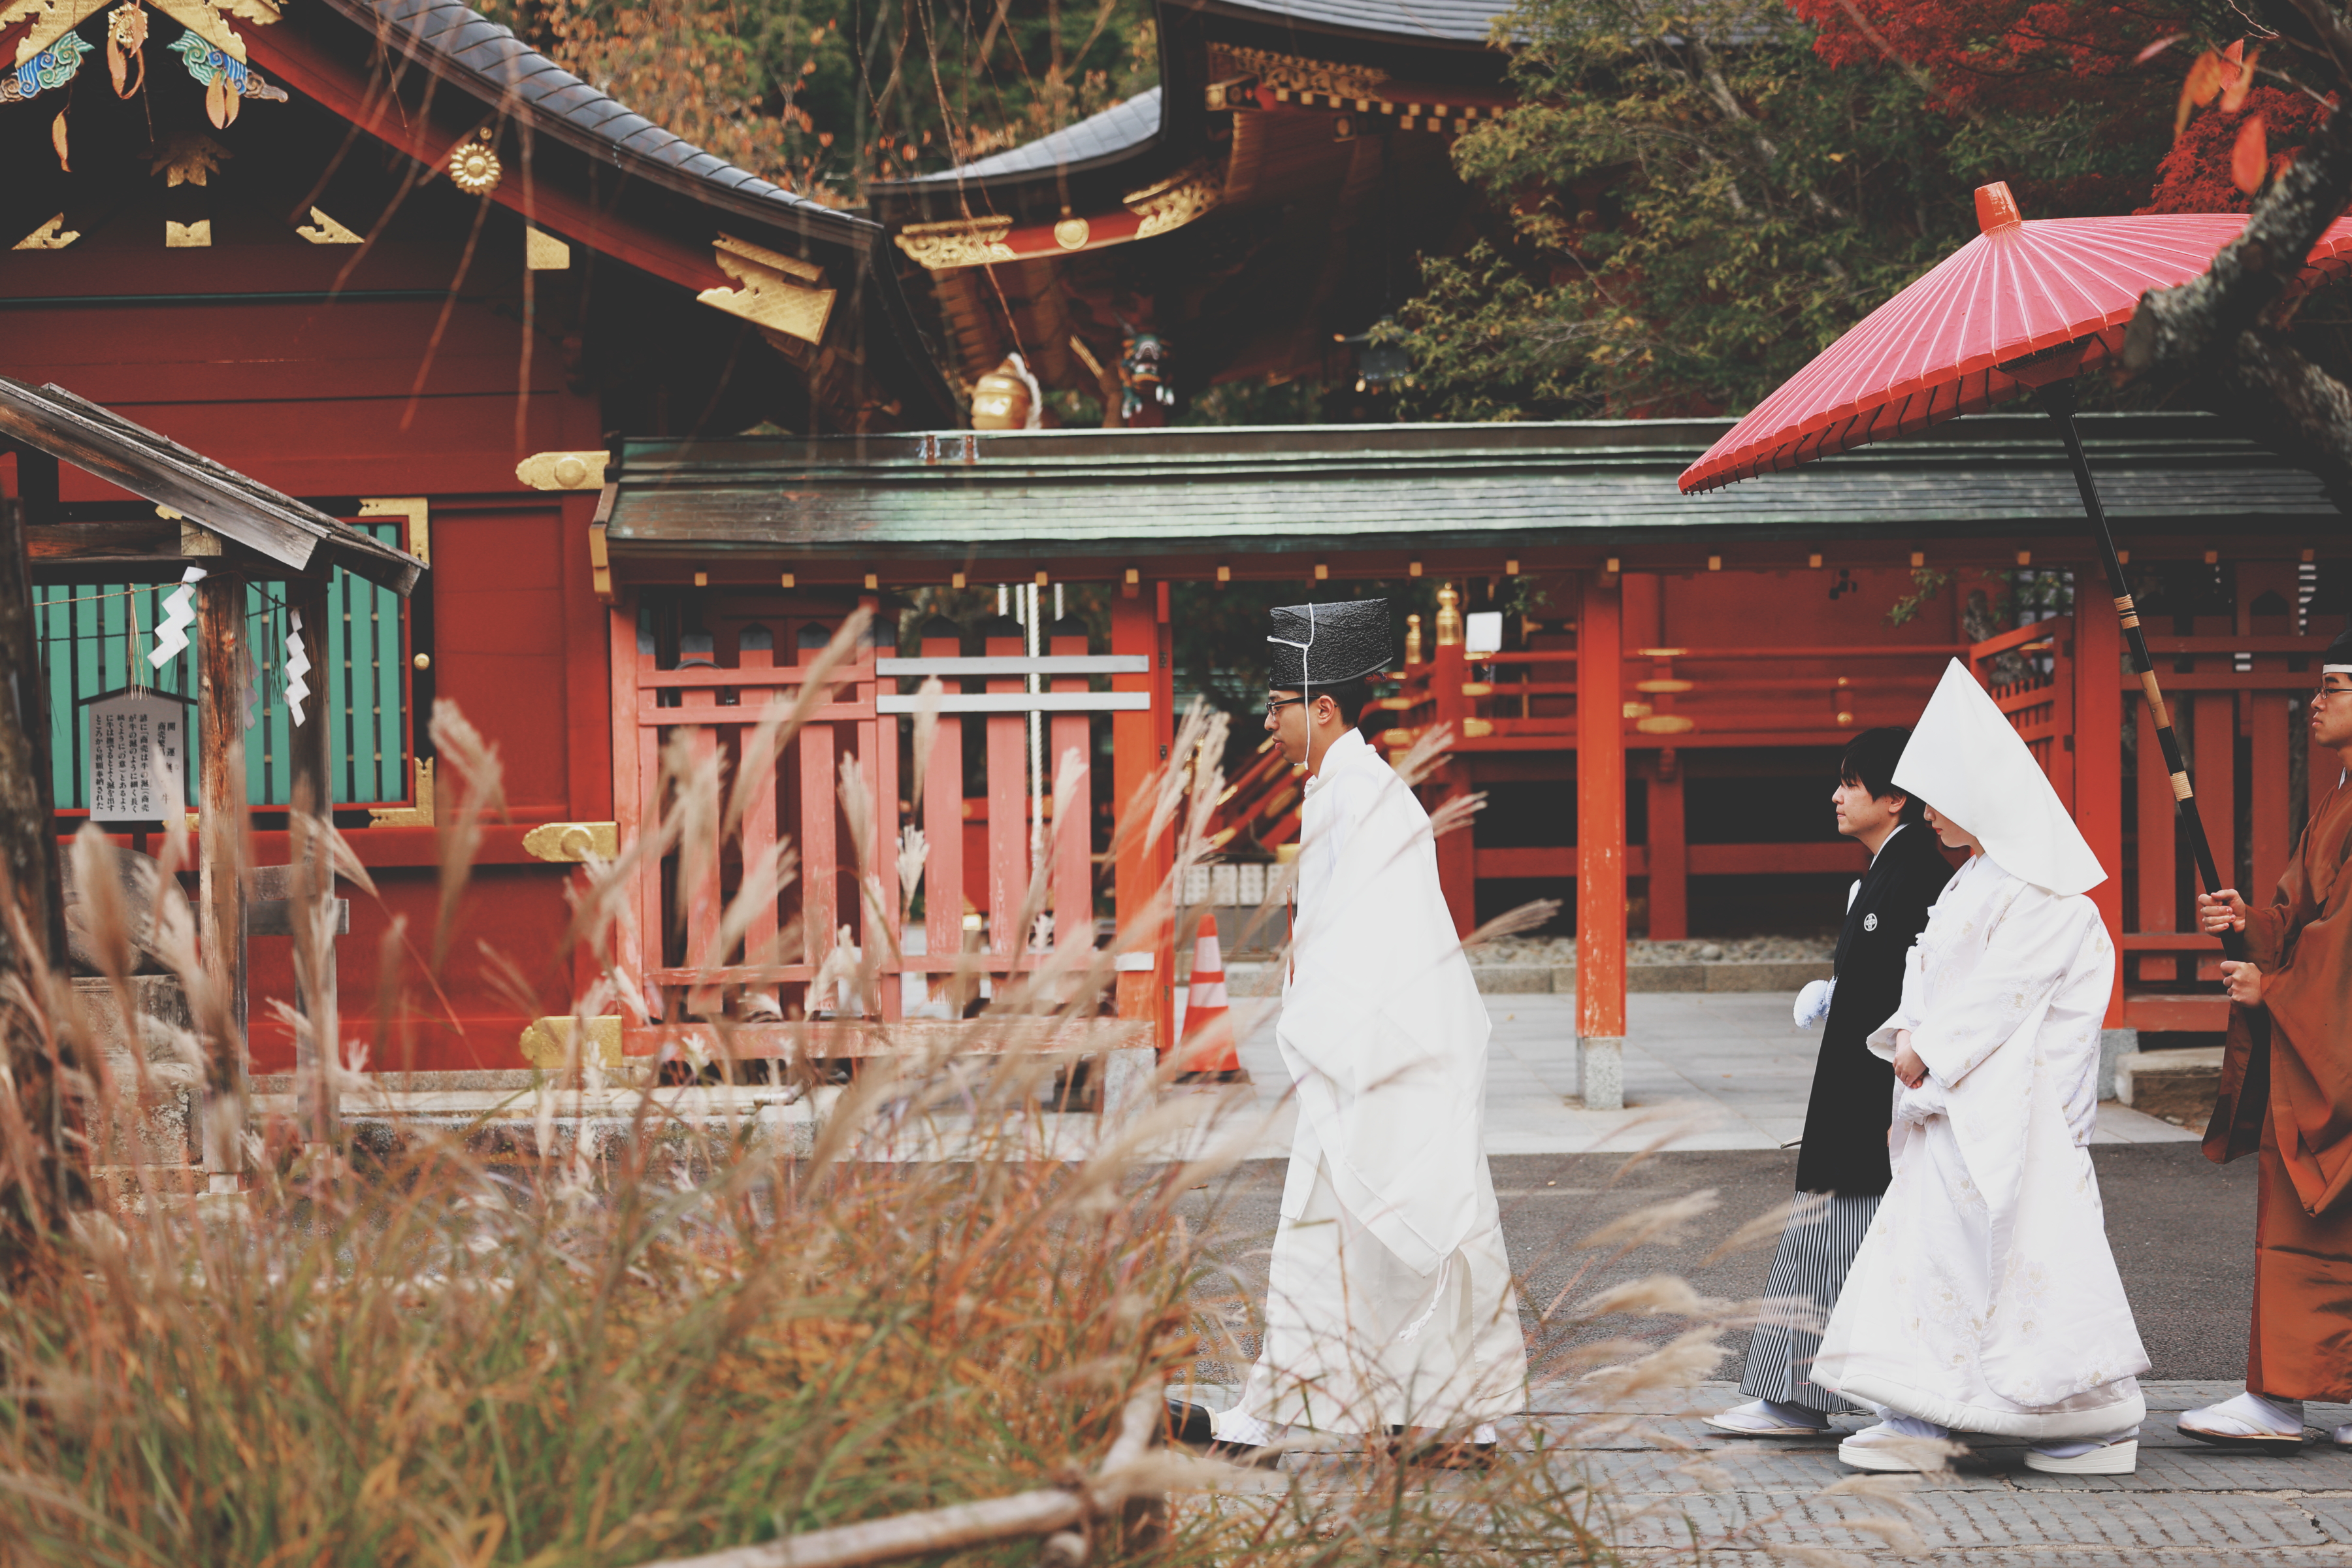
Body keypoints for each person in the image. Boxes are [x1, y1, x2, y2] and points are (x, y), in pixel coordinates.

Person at [1169, 598, 1526, 1464]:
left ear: (1322, 706)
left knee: (1359, 1235)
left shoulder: (1359, 798)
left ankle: (1399, 1416)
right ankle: (1408, 1414)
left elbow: (1378, 941)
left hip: (1378, 1056)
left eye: (1280, 702)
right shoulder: (1354, 790)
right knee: (1362, 1239)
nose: (1271, 718)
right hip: (1374, 1053)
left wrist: (1327, 1027)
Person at [1812, 659, 2148, 1476]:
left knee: (2005, 1253)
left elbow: (2003, 994)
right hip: (1962, 1103)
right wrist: (1911, 1040)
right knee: (1944, 1251)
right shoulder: (1983, 881)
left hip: (2008, 1110)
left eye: (1938, 798)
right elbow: (1935, 976)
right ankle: (1936, 1408)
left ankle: (2082, 1417)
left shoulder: (2047, 895)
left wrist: (1928, 1048)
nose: (1928, 815)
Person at [1707, 727, 1955, 1438]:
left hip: (1877, 1090)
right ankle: (1803, 1392)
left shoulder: (1915, 875)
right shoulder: (1891, 869)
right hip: (1856, 1083)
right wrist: (1837, 988)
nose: (1837, 795)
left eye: (1851, 782)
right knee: (1834, 1228)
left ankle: (1805, 1394)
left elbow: (1923, 992)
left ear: (1894, 796)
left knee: (1840, 1230)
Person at [2178, 625, 2352, 1451]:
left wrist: (2276, 986)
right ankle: (2286, 1394)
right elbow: (2304, 917)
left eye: (2335, 688)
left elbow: (2345, 942)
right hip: (2321, 1034)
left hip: (2335, 1033)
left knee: (2324, 1220)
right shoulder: (2339, 795)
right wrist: (2252, 925)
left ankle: (2296, 1397)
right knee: (2309, 1221)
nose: (2316, 702)